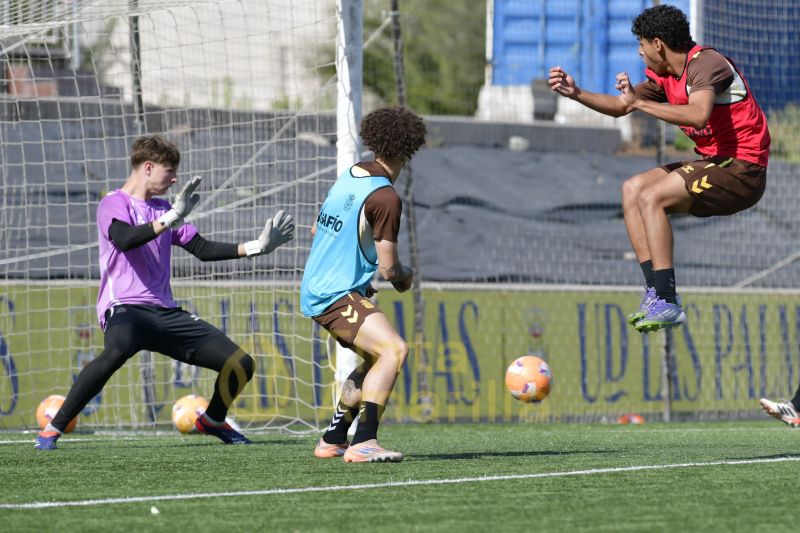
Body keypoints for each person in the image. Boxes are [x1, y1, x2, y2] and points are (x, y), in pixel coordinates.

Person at [35, 134, 295, 450]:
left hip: (165, 312)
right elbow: (125, 239)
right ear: (147, 167)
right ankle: (54, 428)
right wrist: (170, 217)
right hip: (125, 309)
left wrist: (257, 246)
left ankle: (213, 419)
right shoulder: (113, 203)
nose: (174, 179)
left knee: (240, 364)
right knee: (116, 351)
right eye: (169, 171)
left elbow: (202, 248)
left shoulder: (163, 208)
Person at [548, 4, 770, 333]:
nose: (639, 53)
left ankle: (666, 298)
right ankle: (656, 293)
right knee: (633, 189)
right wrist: (576, 93)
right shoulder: (664, 75)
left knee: (652, 197)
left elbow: (697, 115)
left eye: (640, 45)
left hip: (742, 169)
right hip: (715, 163)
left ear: (657, 44)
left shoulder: (706, 64)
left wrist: (639, 103)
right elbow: (622, 107)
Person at [301, 106, 426, 463]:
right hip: (334, 294)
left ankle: (334, 437)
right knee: (395, 350)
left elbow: (317, 228)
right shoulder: (386, 197)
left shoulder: (352, 175)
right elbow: (389, 269)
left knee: (377, 357)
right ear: (409, 148)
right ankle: (364, 441)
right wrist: (406, 277)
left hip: (323, 288)